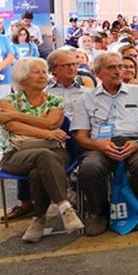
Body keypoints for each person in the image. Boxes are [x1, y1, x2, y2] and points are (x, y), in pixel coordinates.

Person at [70, 52, 138, 236]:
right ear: (97, 72)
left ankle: (133, 209)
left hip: (135, 142)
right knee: (90, 167)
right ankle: (100, 213)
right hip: (100, 145)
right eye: (111, 67)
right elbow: (80, 135)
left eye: (120, 66)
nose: (118, 71)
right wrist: (99, 146)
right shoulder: (86, 98)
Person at [0, 58, 84, 242]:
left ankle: (38, 220)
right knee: (44, 156)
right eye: (36, 72)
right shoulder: (7, 101)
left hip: (55, 152)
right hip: (16, 154)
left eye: (44, 72)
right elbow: (15, 128)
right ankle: (65, 207)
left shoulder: (55, 99)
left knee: (40, 170)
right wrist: (48, 133)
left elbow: (52, 122)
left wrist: (17, 115)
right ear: (22, 78)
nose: (43, 75)